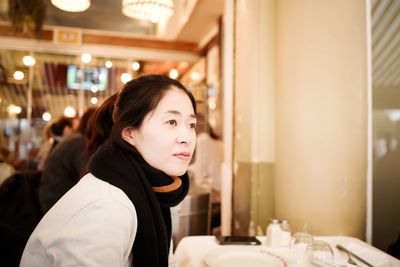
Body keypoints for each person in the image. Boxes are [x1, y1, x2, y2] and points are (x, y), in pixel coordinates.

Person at [20, 74, 197, 267]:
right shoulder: (104, 208)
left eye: (192, 125)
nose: (187, 137)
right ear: (129, 133)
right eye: (171, 122)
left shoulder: (150, 191)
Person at [38, 108, 96, 213]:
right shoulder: (79, 143)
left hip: (53, 199)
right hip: (58, 205)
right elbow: (88, 178)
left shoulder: (75, 140)